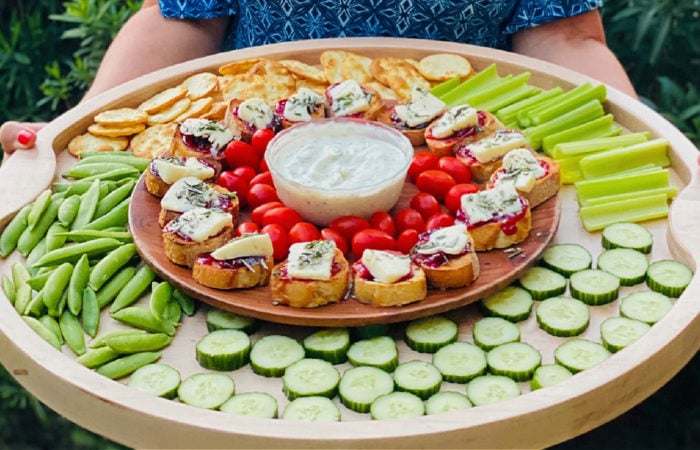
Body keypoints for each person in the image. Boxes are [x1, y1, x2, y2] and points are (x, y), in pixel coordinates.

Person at [0, 0, 637, 157]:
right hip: (246, 159)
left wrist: (636, 136)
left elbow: (563, 36)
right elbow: (182, 17)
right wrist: (86, 123)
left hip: (453, 159)